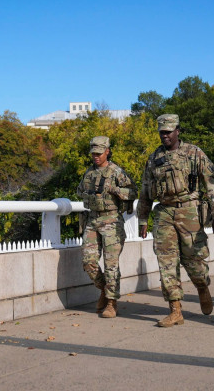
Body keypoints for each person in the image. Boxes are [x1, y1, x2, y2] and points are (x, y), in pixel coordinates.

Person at [138, 114, 214, 327]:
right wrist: (142, 218)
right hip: (164, 212)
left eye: (169, 131)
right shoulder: (154, 158)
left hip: (190, 211)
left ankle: (202, 287)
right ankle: (175, 310)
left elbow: (211, 184)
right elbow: (146, 190)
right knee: (166, 262)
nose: (165, 135)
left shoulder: (194, 153)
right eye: (162, 132)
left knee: (194, 261)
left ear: (178, 130)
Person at [76, 136, 138, 318]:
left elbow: (132, 191)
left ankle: (111, 303)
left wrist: (116, 190)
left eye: (99, 153)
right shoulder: (89, 172)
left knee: (111, 265)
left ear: (107, 151)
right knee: (89, 262)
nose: (95, 156)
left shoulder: (116, 172)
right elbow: (80, 190)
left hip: (111, 221)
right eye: (93, 153)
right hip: (92, 220)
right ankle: (104, 289)